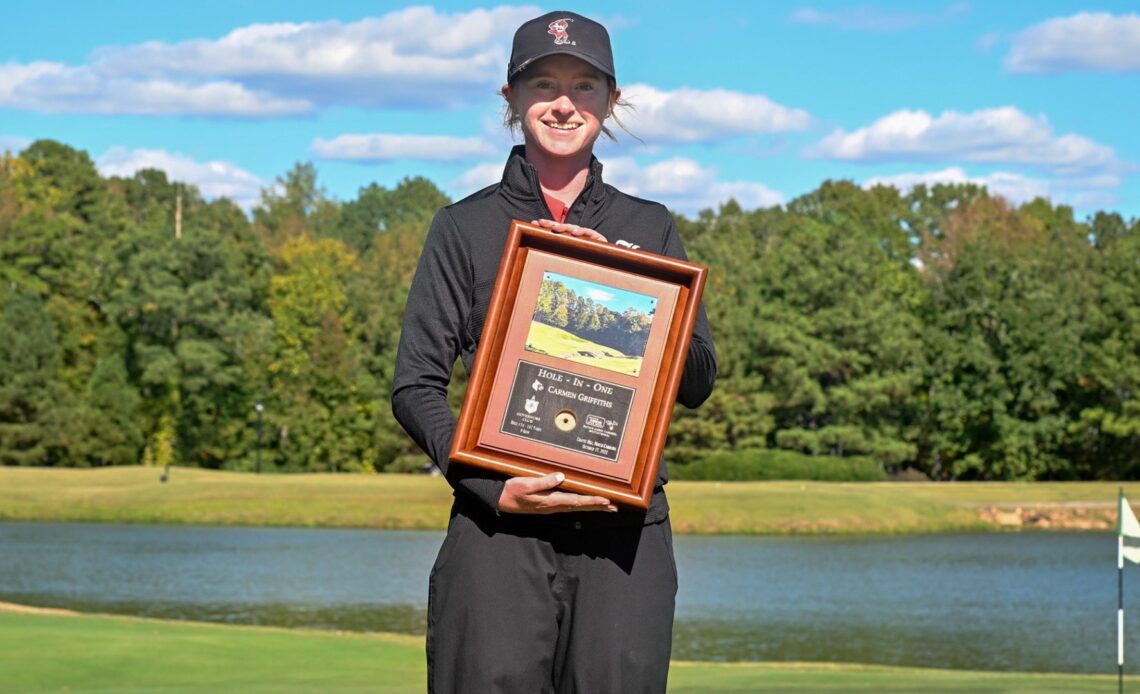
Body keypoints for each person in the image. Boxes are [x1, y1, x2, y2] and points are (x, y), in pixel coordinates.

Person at [391, 10, 717, 693]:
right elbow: (415, 386)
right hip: (496, 533)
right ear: (509, 99)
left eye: (584, 86)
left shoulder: (648, 226)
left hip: (623, 532)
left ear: (610, 100)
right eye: (542, 84)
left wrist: (639, 295)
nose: (563, 103)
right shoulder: (463, 227)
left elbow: (697, 382)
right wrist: (490, 487)